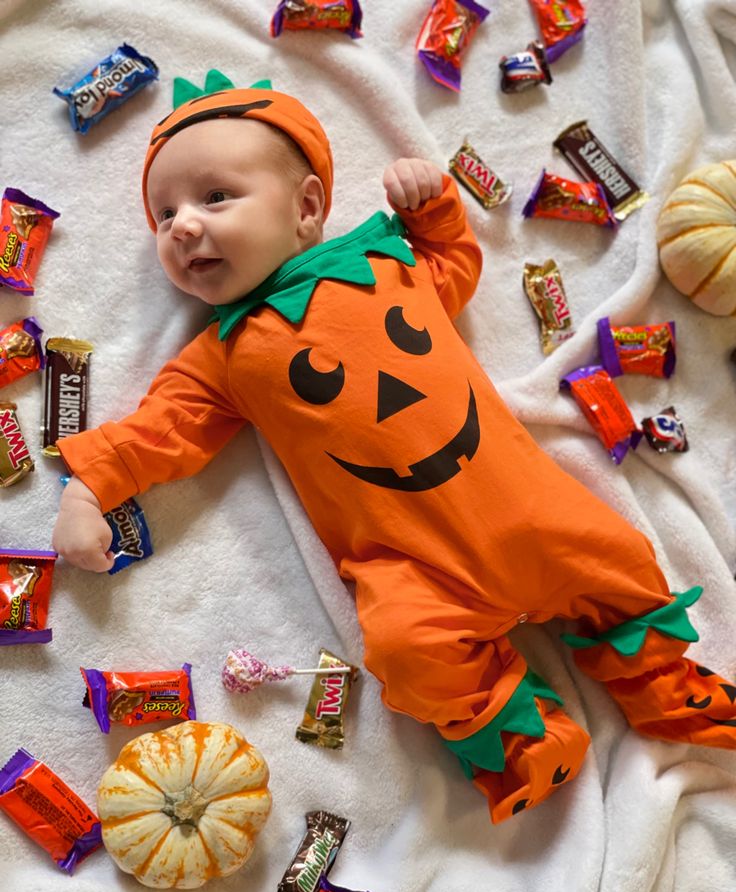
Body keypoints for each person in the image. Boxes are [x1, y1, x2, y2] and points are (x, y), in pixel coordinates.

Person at [52, 73, 736, 823]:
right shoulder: (222, 358)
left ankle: (663, 685)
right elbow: (160, 433)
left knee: (618, 555)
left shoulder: (386, 262)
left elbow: (457, 270)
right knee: (408, 654)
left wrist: (434, 211)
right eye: (165, 214)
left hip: (530, 512)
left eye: (215, 197)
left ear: (308, 207)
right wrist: (90, 491)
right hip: (412, 569)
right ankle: (518, 734)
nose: (182, 226)